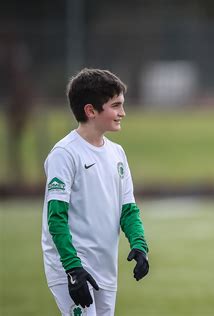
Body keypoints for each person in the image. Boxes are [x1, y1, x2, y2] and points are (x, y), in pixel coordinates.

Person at [41, 68, 150, 315]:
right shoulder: (65, 154)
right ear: (91, 111)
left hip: (105, 268)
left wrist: (139, 245)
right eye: (115, 105)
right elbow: (56, 217)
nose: (123, 113)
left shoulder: (117, 153)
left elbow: (128, 209)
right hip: (72, 267)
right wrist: (72, 268)